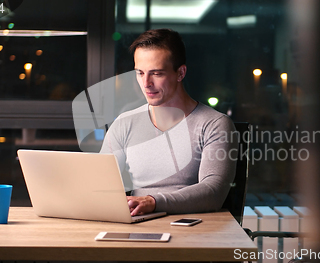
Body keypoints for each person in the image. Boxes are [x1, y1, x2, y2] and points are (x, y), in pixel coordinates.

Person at [100, 28, 237, 216]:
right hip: (139, 224)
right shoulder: (125, 123)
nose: (146, 83)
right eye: (140, 73)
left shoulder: (214, 124)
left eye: (156, 73)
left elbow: (213, 192)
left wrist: (154, 202)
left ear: (180, 73)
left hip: (195, 227)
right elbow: (99, 184)